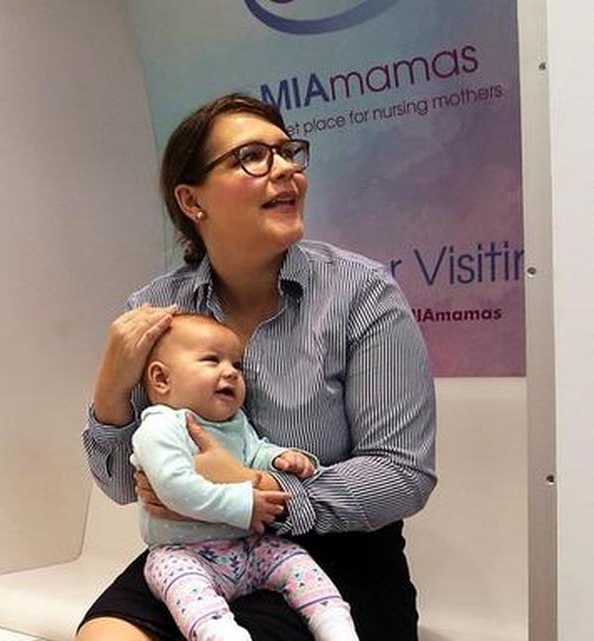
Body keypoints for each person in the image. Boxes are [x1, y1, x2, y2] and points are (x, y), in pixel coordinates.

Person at [77, 93, 436, 641]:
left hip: (339, 558)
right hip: (198, 551)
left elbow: (402, 474)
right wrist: (109, 392)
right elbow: (126, 488)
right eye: (253, 156)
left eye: (287, 152)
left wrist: (259, 491)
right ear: (192, 200)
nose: (287, 169)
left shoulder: (361, 294)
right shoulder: (154, 312)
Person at [133, 313, 359, 641]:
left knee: (297, 563)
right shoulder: (160, 426)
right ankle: (221, 634)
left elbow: (255, 452)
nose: (231, 372)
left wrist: (282, 458)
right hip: (183, 552)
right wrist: (244, 505)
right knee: (185, 590)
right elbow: (174, 488)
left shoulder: (234, 423)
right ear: (161, 379)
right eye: (212, 360)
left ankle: (335, 625)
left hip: (247, 546)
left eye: (237, 365)